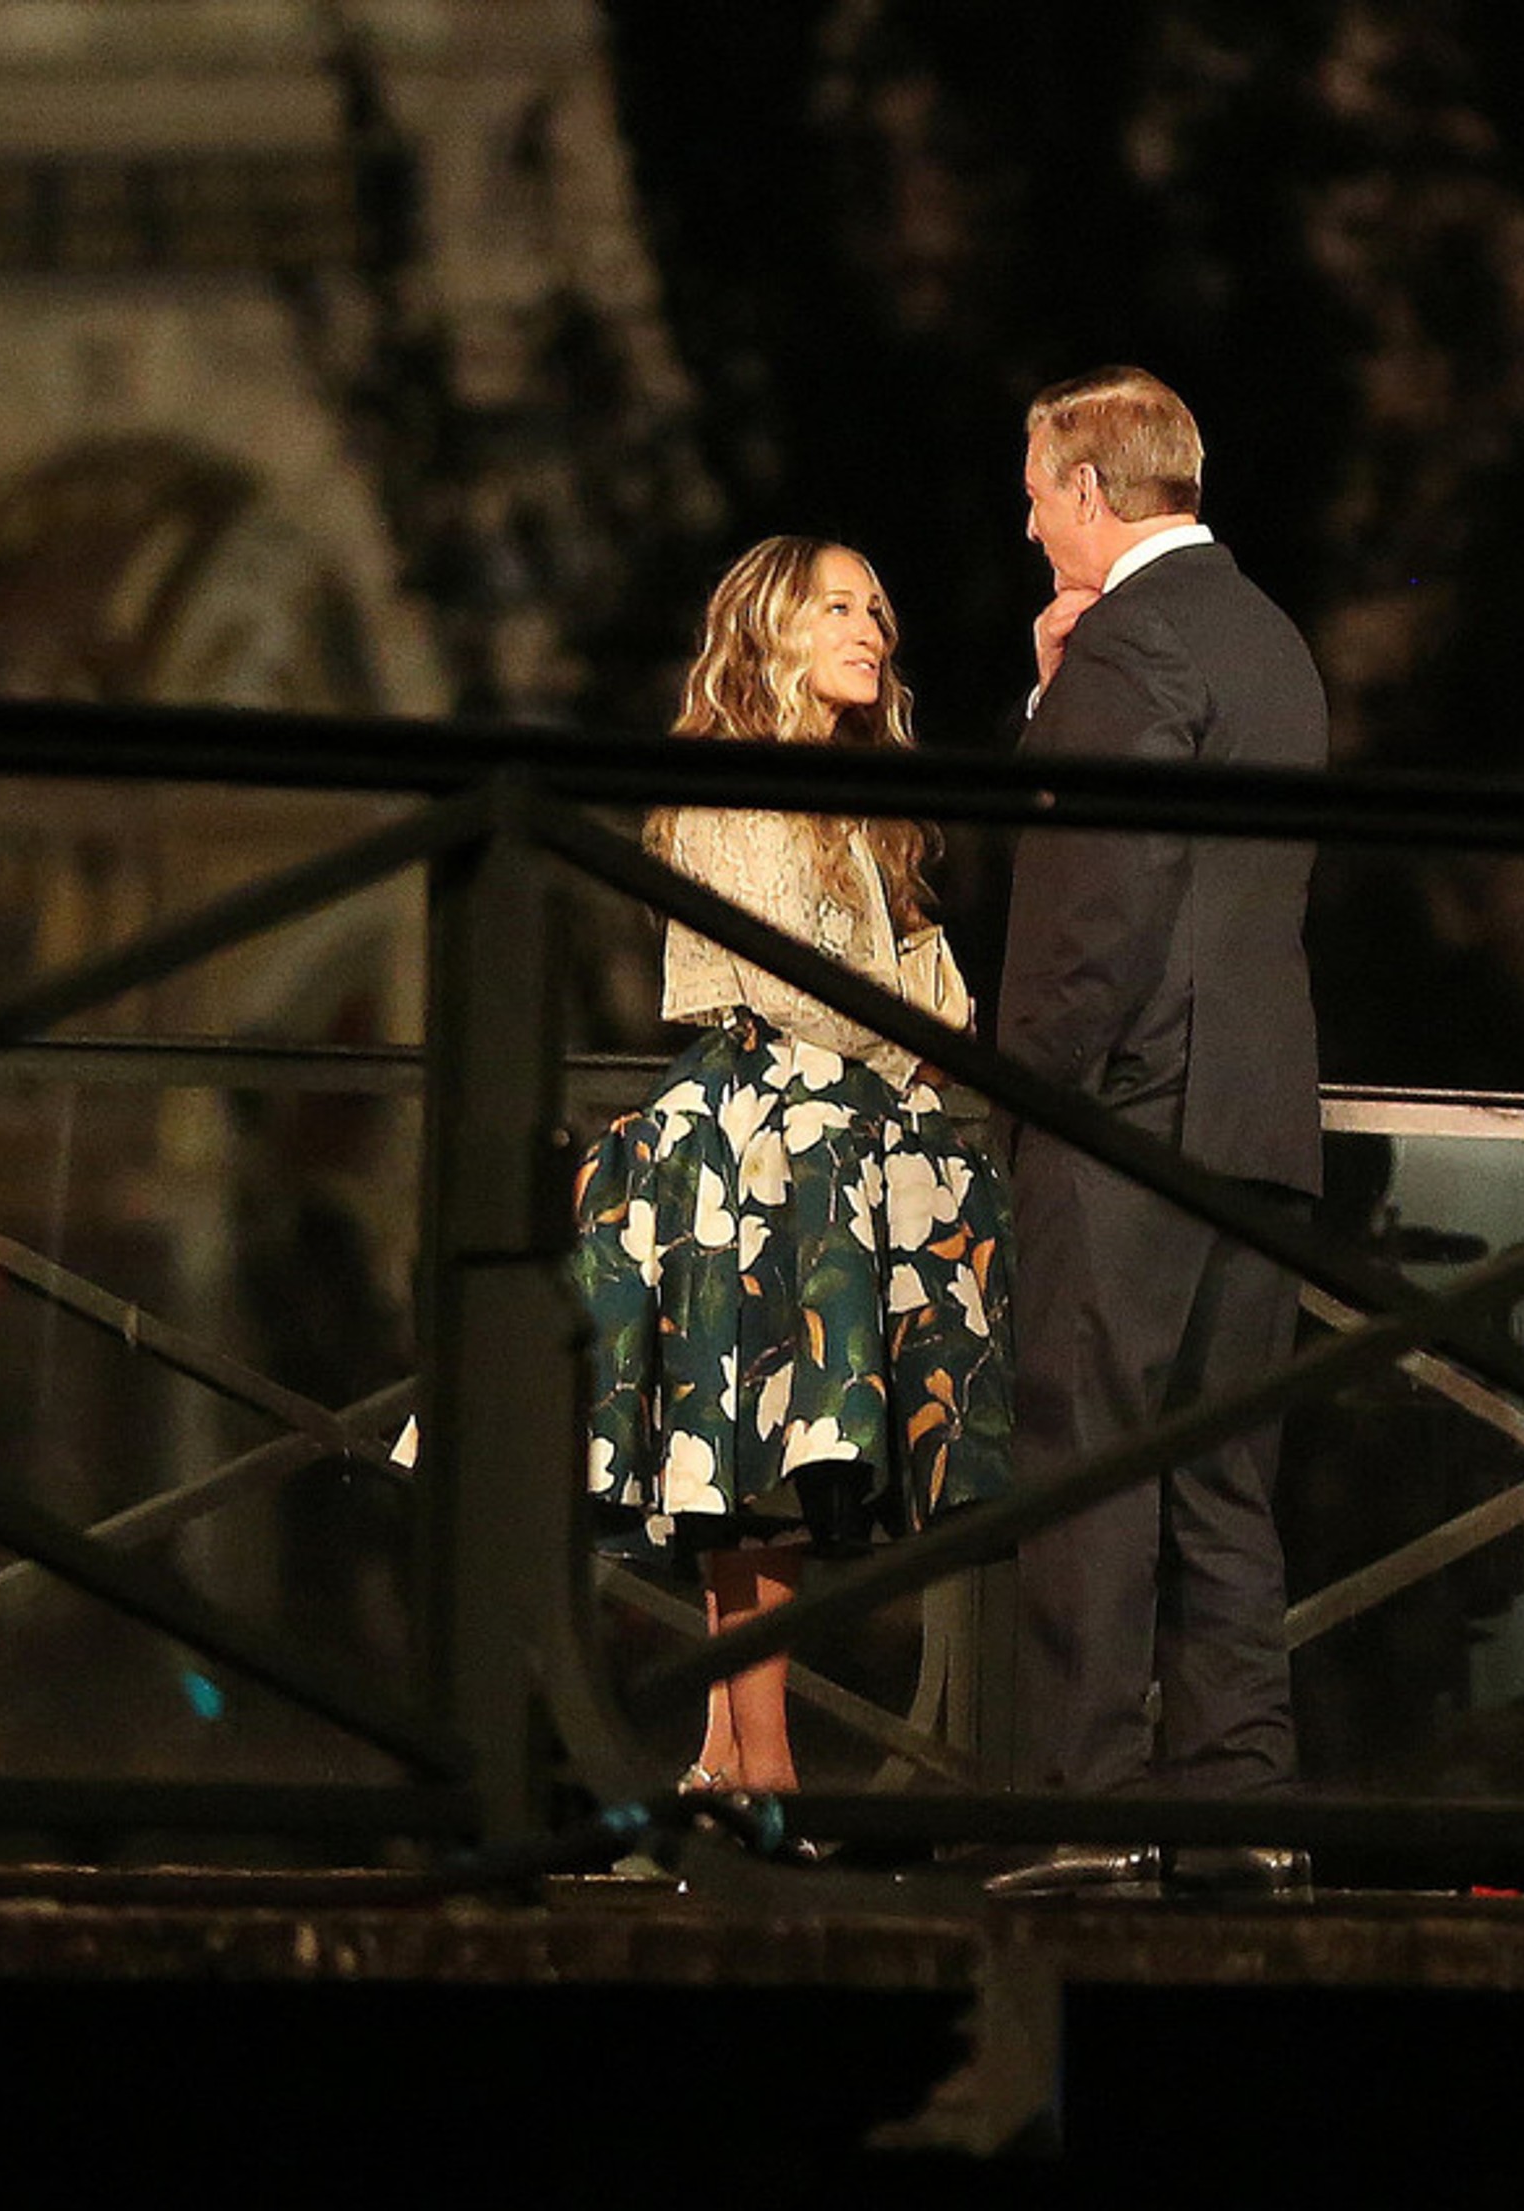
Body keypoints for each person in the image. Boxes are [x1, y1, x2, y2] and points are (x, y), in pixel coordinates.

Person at [572, 535, 1015, 1806]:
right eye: (837, 607)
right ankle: (760, 1764)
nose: (870, 628)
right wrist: (912, 1031)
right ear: (772, 630)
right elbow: (795, 991)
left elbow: (916, 985)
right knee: (752, 1449)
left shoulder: (850, 806)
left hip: (830, 1148)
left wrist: (922, 1014)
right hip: (757, 1153)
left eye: (877, 608)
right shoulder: (736, 786)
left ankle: (729, 1758)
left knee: (769, 1446)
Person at [992, 367, 1327, 1889]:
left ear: (1085, 488)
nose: (1027, 525)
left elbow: (1096, 900)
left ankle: (1087, 1810)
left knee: (1089, 1460)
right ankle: (1240, 1809)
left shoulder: (1134, 639)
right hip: (1259, 1115)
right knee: (1221, 1476)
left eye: (1034, 495)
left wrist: (1035, 1090)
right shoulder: (1269, 636)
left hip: (1131, 1117)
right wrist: (1055, 694)